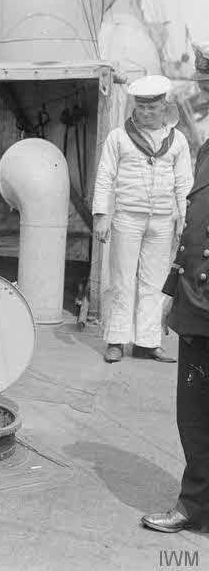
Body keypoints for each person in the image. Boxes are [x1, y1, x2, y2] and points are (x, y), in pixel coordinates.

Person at [141, 47, 209, 533]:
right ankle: (196, 506)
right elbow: (195, 231)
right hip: (196, 306)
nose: (204, 92)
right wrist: (172, 288)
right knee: (195, 417)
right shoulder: (206, 149)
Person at [92, 75, 193, 363]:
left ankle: (147, 342)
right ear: (135, 106)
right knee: (122, 279)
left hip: (161, 220)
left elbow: (184, 184)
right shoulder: (119, 136)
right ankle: (116, 339)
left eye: (153, 108)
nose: (146, 113)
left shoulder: (178, 141)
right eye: (141, 107)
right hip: (127, 217)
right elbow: (105, 176)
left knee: (155, 281)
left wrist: (184, 220)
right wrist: (101, 216)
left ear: (164, 106)